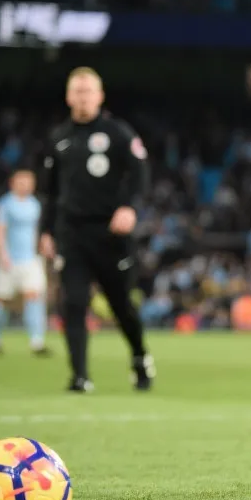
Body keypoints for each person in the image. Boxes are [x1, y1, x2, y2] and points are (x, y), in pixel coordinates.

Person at [39, 67, 155, 392]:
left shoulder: (118, 133)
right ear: (68, 96)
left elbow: (141, 172)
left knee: (121, 304)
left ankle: (139, 355)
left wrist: (129, 207)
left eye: (88, 91)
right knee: (74, 302)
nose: (83, 97)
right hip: (72, 233)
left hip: (110, 234)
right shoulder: (58, 138)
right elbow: (50, 192)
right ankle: (80, 376)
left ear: (100, 96)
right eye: (78, 91)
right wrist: (46, 231)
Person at [0, 169, 49, 357]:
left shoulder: (35, 204)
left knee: (34, 296)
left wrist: (43, 246)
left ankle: (37, 341)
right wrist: (2, 254)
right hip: (9, 260)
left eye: (29, 182)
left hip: (30, 259)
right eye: (22, 182)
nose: (27, 185)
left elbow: (38, 230)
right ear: (13, 183)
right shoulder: (5, 204)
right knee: (2, 301)